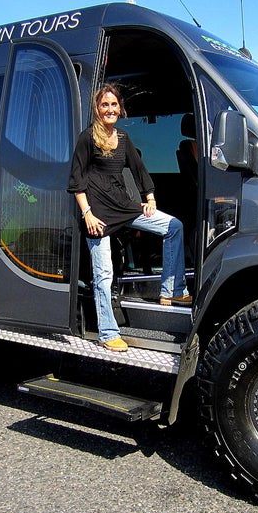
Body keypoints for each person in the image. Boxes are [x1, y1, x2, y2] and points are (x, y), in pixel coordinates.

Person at [68, 84, 191, 352]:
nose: (110, 109)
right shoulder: (87, 138)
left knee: (173, 226)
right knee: (104, 276)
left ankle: (172, 290)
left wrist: (150, 199)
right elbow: (76, 182)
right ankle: (108, 332)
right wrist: (87, 213)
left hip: (124, 206)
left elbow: (139, 169)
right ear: (97, 110)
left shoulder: (123, 138)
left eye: (113, 105)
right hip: (97, 215)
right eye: (104, 105)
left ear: (120, 108)